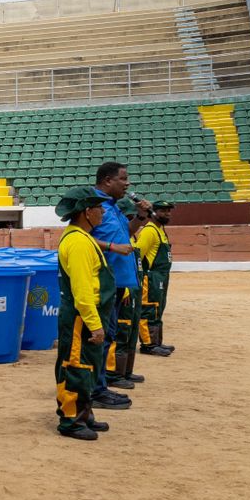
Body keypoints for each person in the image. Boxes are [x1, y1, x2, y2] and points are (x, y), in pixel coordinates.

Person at [54, 187, 117, 440]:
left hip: (86, 317)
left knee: (88, 367)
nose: (102, 212)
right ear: (86, 212)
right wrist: (95, 324)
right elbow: (82, 290)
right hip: (82, 319)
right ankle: (71, 420)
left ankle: (84, 414)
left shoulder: (83, 237)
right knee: (76, 367)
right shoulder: (78, 242)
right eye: (98, 208)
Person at [89, 162, 150, 407]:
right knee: (100, 338)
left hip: (117, 284)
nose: (128, 184)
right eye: (123, 179)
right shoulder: (92, 206)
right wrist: (113, 247)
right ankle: (94, 390)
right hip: (102, 284)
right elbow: (81, 236)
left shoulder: (113, 207)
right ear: (107, 181)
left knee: (109, 336)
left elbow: (128, 232)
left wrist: (141, 216)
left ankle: (101, 385)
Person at [111, 198, 148, 384]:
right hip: (124, 292)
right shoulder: (120, 238)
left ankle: (126, 370)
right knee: (121, 332)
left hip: (134, 291)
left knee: (132, 331)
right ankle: (114, 373)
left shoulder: (134, 238)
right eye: (131, 217)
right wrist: (124, 289)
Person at [137, 200, 175, 357]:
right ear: (153, 212)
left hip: (161, 276)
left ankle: (156, 342)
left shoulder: (160, 230)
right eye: (163, 211)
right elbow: (138, 255)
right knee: (149, 309)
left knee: (158, 308)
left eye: (168, 210)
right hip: (151, 277)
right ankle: (148, 344)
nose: (167, 213)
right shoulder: (149, 231)